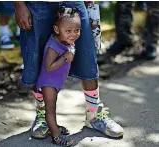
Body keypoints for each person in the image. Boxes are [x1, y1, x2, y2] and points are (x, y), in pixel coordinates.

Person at [14, 1, 124, 141]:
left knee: (87, 57)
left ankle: (94, 115)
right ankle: (43, 115)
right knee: (37, 57)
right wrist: (19, 4)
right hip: (37, 4)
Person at [35, 7, 81, 146]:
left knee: (52, 108)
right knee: (50, 109)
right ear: (56, 29)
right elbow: (49, 67)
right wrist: (65, 58)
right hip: (48, 82)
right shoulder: (53, 46)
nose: (73, 34)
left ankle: (53, 126)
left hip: (55, 81)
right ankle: (56, 136)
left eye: (76, 30)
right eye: (68, 31)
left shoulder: (64, 40)